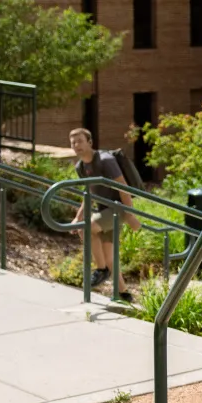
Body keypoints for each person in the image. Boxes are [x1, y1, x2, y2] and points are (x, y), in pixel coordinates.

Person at [69, 128, 133, 298]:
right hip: (104, 211)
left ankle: (101, 269)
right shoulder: (81, 167)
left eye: (80, 141)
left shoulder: (105, 160)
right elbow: (89, 192)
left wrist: (130, 215)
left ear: (90, 143)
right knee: (109, 257)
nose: (76, 145)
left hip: (118, 208)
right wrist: (78, 216)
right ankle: (124, 294)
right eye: (73, 142)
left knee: (86, 228)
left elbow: (123, 187)